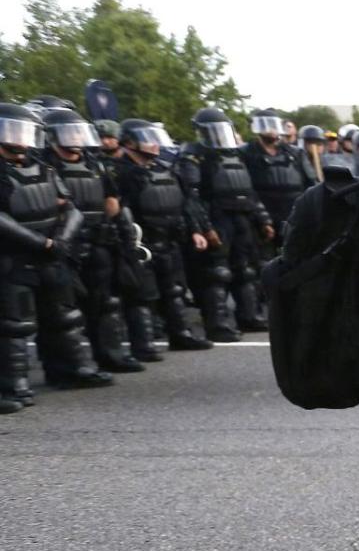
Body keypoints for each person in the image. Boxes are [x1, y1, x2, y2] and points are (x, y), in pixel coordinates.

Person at [1, 103, 115, 413]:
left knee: (64, 316)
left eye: (22, 130)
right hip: (13, 258)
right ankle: (12, 386)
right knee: (15, 325)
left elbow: (70, 208)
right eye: (10, 130)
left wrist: (61, 240)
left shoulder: (45, 168)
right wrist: (41, 243)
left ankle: (72, 369)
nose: (18, 138)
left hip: (52, 254)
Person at [39, 108, 143, 373]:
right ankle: (65, 367)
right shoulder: (42, 164)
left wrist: (121, 234)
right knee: (62, 311)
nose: (74, 137)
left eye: (77, 131)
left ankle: (110, 355)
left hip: (98, 241)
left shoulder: (94, 162)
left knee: (105, 303)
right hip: (62, 244)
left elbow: (112, 201)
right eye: (68, 132)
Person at [112, 119, 216, 357]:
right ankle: (144, 345)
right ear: (129, 142)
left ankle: (181, 335)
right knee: (142, 296)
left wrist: (195, 231)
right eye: (148, 139)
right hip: (142, 243)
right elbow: (118, 210)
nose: (155, 144)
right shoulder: (120, 173)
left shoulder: (165, 169)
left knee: (174, 291)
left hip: (170, 240)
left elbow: (186, 203)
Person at [177, 107, 275, 340]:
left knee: (247, 270)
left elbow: (249, 191)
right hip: (217, 216)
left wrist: (263, 220)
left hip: (242, 217)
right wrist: (205, 227)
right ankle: (218, 324)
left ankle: (249, 316)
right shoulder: (194, 156)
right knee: (216, 273)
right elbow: (192, 196)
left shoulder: (236, 155)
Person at [243, 109, 317, 246]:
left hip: (293, 211)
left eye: (273, 125)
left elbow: (311, 184)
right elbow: (244, 187)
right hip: (262, 212)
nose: (270, 130)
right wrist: (261, 217)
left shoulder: (296, 153)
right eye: (265, 125)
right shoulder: (246, 152)